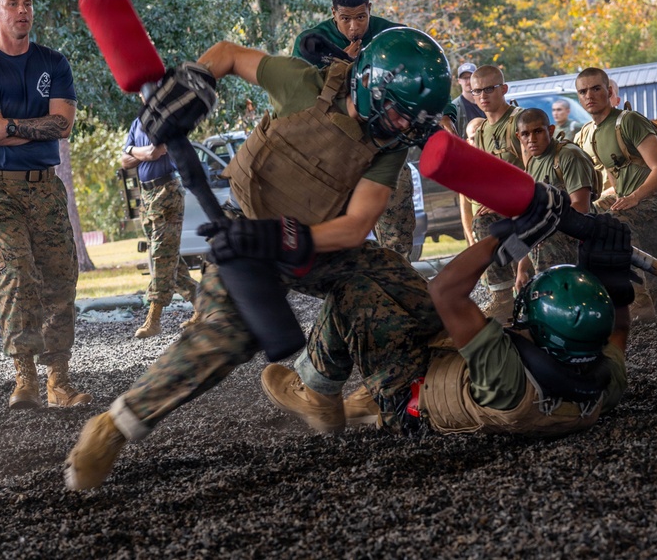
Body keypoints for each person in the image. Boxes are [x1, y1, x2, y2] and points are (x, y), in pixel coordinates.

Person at [64, 27, 453, 490]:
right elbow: (227, 54)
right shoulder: (303, 85)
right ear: (370, 86)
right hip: (242, 231)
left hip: (310, 242)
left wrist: (284, 238)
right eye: (397, 115)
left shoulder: (386, 146)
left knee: (403, 288)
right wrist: (194, 83)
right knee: (224, 337)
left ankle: (325, 387)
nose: (405, 128)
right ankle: (111, 429)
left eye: (414, 121)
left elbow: (354, 225)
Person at [267, 206, 632, 439]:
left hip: (409, 398)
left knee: (353, 292)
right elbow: (617, 331)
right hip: (447, 366)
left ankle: (319, 396)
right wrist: (612, 276)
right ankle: (366, 401)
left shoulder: (510, 380)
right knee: (388, 266)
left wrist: (504, 239)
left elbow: (447, 292)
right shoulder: (600, 384)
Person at [0, 0, 90, 410]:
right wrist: (35, 129)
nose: (22, 11)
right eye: (12, 4)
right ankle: (24, 378)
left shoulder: (54, 63)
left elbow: (63, 126)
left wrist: (12, 127)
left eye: (28, 4)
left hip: (44, 188)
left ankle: (59, 381)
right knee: (16, 276)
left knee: (59, 281)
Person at [292, 0, 414, 260]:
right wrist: (340, 66)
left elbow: (420, 75)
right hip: (336, 151)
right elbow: (301, 96)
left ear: (370, 9)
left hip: (385, 147)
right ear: (333, 13)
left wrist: (444, 113)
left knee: (397, 233)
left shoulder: (392, 34)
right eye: (345, 19)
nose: (354, 27)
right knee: (337, 236)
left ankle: (397, 285)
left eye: (361, 17)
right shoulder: (312, 42)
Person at [575, 68, 657, 322]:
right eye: (583, 91)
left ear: (609, 91)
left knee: (616, 226)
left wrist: (634, 197)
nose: (589, 95)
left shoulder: (628, 121)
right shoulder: (593, 134)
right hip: (635, 209)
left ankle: (637, 305)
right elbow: (617, 181)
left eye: (596, 89)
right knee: (591, 221)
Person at [122, 118, 200, 338]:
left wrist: (132, 150)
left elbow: (153, 153)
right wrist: (134, 151)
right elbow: (124, 161)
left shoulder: (166, 118)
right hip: (146, 195)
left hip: (167, 191)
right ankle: (204, 304)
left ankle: (154, 319)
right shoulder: (136, 123)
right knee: (168, 255)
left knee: (160, 255)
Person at [514, 108, 598, 290]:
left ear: (550, 130)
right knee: (509, 242)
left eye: (538, 131)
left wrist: (543, 228)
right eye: (525, 134)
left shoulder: (568, 155)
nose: (532, 139)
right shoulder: (532, 164)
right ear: (519, 137)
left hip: (584, 228)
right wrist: (521, 269)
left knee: (542, 240)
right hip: (556, 227)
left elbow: (581, 207)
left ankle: (555, 296)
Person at [467, 65, 525, 323]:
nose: (482, 96)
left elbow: (535, 173)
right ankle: (505, 296)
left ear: (503, 89)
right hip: (503, 213)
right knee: (483, 222)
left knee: (486, 224)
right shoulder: (480, 133)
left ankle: (508, 296)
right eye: (476, 91)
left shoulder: (520, 122)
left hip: (531, 206)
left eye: (489, 89)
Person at [461, 117, 487, 246]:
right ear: (468, 142)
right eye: (473, 138)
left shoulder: (500, 161)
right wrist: (472, 240)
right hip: (479, 233)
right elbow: (465, 208)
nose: (478, 140)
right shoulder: (466, 170)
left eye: (482, 134)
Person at [443, 62, 486, 134]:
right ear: (459, 81)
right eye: (465, 78)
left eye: (471, 77)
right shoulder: (454, 108)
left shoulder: (486, 101)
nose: (468, 81)